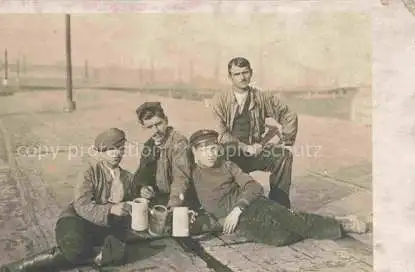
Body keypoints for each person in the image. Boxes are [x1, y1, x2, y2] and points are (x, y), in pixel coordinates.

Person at [0, 128, 134, 272]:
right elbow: (81, 204)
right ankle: (17, 268)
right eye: (111, 149)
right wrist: (110, 210)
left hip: (102, 227)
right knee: (74, 249)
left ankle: (88, 254)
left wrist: (143, 193)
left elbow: (131, 203)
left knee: (120, 255)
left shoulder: (126, 177)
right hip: (76, 218)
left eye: (120, 149)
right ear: (101, 151)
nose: (116, 153)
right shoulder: (90, 171)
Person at [187, 129, 368, 246]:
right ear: (195, 153)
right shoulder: (192, 174)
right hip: (237, 222)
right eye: (204, 150)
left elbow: (254, 187)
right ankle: (323, 222)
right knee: (280, 237)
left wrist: (237, 209)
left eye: (213, 148)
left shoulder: (227, 165)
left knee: (293, 222)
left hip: (252, 206)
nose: (210, 154)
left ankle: (343, 224)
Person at [209, 57, 298, 209]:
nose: (242, 77)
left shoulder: (262, 97)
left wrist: (287, 141)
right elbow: (221, 134)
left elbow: (288, 114)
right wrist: (245, 147)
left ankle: (279, 205)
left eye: (245, 72)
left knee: (283, 156)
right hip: (230, 152)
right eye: (237, 74)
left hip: (256, 151)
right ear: (230, 77)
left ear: (251, 73)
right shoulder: (220, 99)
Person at [133, 101, 199, 210]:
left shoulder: (179, 143)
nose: (155, 131)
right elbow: (142, 172)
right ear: (143, 127)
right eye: (149, 127)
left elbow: (181, 178)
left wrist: (173, 206)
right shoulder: (149, 144)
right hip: (160, 198)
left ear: (166, 121)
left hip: (181, 200)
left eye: (158, 124)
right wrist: (143, 187)